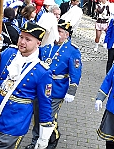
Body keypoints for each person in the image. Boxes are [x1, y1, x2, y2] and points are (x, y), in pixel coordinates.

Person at [0, 21, 54, 149]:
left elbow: (44, 105)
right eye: (21, 37)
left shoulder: (42, 72)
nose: (22, 42)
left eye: (28, 39)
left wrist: (44, 136)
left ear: (38, 43)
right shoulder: (9, 53)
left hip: (14, 125)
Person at [25, 19, 82, 149]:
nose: (57, 33)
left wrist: (71, 91)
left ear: (67, 35)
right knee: (38, 116)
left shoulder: (72, 50)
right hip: (40, 88)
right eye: (56, 30)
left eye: (60, 31)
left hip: (57, 89)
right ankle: (36, 141)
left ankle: (50, 139)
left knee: (48, 117)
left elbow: (76, 71)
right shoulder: (47, 45)